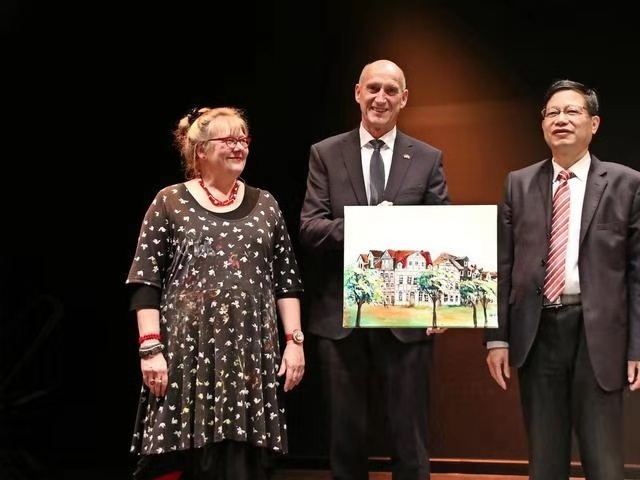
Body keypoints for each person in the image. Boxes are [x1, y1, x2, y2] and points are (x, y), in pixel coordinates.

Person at [125, 106, 305, 480]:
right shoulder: (169, 201)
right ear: (201, 151)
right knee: (184, 461)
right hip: (187, 355)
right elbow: (146, 281)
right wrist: (150, 349)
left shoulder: (266, 205)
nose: (239, 146)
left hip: (249, 357)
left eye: (243, 139)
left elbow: (286, 281)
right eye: (228, 139)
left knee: (242, 464)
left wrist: (295, 342)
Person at [299, 59, 450, 480]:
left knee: (410, 439)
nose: (380, 98)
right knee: (345, 441)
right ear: (357, 93)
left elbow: (443, 233)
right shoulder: (326, 154)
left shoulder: (427, 158)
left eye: (390, 90)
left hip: (408, 317)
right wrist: (367, 226)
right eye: (373, 89)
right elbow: (310, 228)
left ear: (404, 98)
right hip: (340, 317)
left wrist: (440, 304)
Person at [485, 79, 640, 479]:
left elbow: (637, 273)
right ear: (542, 125)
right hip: (537, 331)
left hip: (599, 334)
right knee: (545, 460)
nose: (561, 119)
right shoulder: (518, 183)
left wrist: (637, 347)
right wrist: (497, 337)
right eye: (552, 113)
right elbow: (502, 266)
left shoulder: (626, 183)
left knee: (604, 462)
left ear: (594, 124)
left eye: (572, 111)